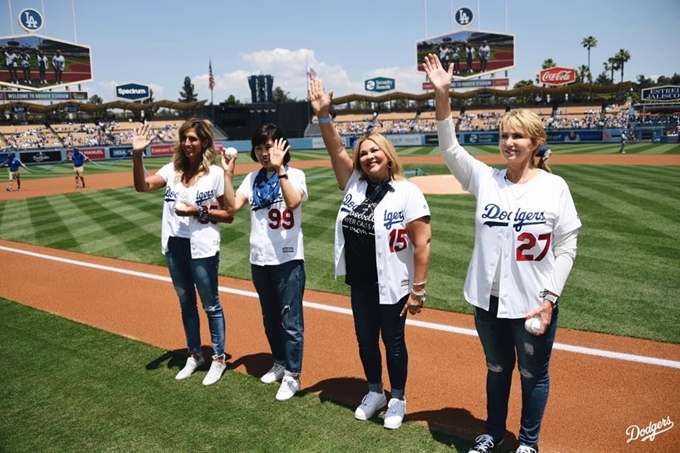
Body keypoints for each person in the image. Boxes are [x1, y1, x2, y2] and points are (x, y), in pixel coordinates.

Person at [423, 54, 581, 453]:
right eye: (505, 135)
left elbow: (567, 246)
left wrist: (550, 300)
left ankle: (528, 442)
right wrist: (443, 95)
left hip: (532, 301)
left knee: (532, 374)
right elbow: (449, 146)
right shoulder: (485, 180)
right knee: (496, 369)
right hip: (486, 300)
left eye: (518, 137)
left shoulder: (554, 187)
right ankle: (492, 431)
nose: (509, 143)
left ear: (535, 143)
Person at [308, 78, 432, 430]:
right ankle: (375, 391)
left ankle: (398, 398)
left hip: (393, 283)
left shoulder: (406, 192)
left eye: (374, 151)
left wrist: (419, 288)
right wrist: (324, 116)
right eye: (363, 153)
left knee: (393, 342)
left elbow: (422, 242)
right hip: (361, 281)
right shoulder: (354, 184)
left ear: (388, 155)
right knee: (365, 340)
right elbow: (336, 152)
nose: (368, 156)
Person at [131, 119, 233, 386]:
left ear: (204, 143)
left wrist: (198, 211)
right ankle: (194, 354)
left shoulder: (215, 174)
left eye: (194, 139)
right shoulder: (172, 171)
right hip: (175, 245)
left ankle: (219, 358)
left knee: (211, 304)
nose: (188, 144)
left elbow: (228, 215)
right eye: (185, 138)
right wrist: (137, 153)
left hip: (202, 246)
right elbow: (143, 186)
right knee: (186, 303)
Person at [219, 124, 308, 402]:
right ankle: (280, 362)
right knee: (270, 320)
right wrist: (228, 173)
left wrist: (281, 170)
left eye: (268, 146)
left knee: (290, 321)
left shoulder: (296, 174)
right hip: (260, 259)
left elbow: (293, 202)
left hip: (288, 258)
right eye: (259, 148)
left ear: (282, 147)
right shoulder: (252, 178)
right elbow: (232, 207)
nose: (263, 153)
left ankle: (293, 374)